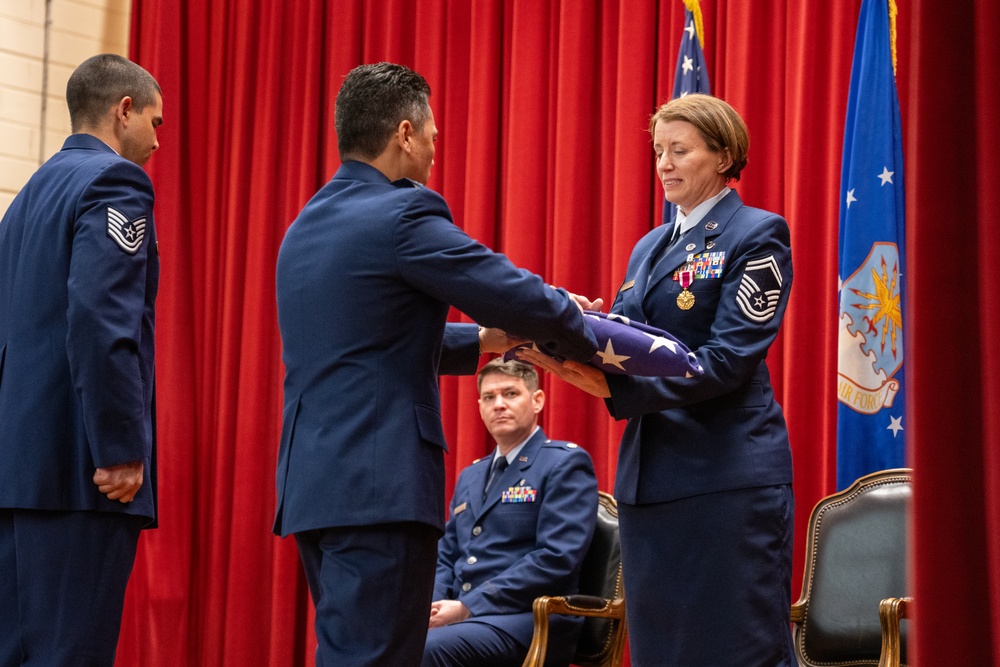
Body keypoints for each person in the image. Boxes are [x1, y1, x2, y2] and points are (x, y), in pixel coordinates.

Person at [274, 62, 598, 667]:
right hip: (380, 484)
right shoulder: (403, 213)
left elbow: (372, 342)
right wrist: (584, 326)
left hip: (314, 486)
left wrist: (489, 340)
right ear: (403, 132)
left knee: (349, 653)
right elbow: (502, 284)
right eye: (431, 136)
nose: (432, 151)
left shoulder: (304, 226)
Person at [518, 94, 795, 666]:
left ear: (723, 156)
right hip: (651, 481)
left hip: (726, 480)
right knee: (661, 652)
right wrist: (573, 336)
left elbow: (726, 361)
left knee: (737, 648)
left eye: (679, 150)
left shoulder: (757, 234)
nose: (664, 164)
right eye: (658, 152)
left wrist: (618, 387)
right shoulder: (650, 246)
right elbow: (632, 344)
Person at [0, 54, 163, 666]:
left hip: (17, 472)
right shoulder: (116, 183)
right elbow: (102, 319)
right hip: (77, 475)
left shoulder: (24, 200)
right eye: (155, 121)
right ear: (124, 111)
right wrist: (120, 448)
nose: (157, 139)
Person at [424, 359, 598, 667]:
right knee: (383, 641)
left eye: (511, 393)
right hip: (468, 618)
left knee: (425, 649)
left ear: (537, 401)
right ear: (479, 406)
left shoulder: (563, 464)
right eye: (489, 397)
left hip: (529, 619)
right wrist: (434, 606)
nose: (499, 405)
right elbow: (447, 554)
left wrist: (468, 606)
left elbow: (555, 558)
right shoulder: (471, 475)